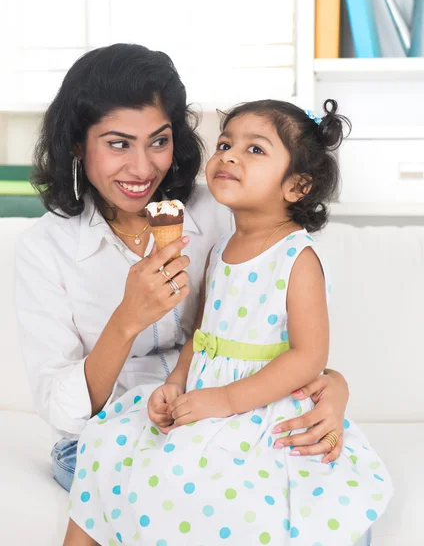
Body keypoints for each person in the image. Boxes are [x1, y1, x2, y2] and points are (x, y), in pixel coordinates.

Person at [12, 43, 360, 541]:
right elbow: (63, 411)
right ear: (76, 144)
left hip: (227, 417)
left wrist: (335, 386)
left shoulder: (227, 208)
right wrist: (126, 320)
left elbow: (286, 324)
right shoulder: (44, 249)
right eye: (117, 144)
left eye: (158, 141)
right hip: (114, 428)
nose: (141, 169)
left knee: (303, 500)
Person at [63, 96, 392, 545]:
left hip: (258, 405)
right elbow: (202, 337)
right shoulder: (218, 251)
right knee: (108, 442)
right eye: (224, 143)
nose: (229, 155)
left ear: (297, 186)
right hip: (207, 396)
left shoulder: (297, 257)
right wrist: (176, 384)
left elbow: (309, 356)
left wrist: (226, 400)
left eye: (255, 150)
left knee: (218, 485)